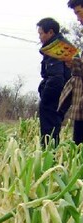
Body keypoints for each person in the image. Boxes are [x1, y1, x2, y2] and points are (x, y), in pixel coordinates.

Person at [37, 18, 71, 147]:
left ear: (50, 32)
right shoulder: (63, 45)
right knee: (54, 128)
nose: (40, 37)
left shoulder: (57, 48)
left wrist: (45, 97)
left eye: (41, 33)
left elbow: (56, 78)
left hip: (56, 95)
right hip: (65, 93)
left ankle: (48, 157)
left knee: (49, 130)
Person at [57, 0, 83, 145]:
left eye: (78, 13)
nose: (78, 19)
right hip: (80, 101)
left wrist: (76, 63)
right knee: (77, 145)